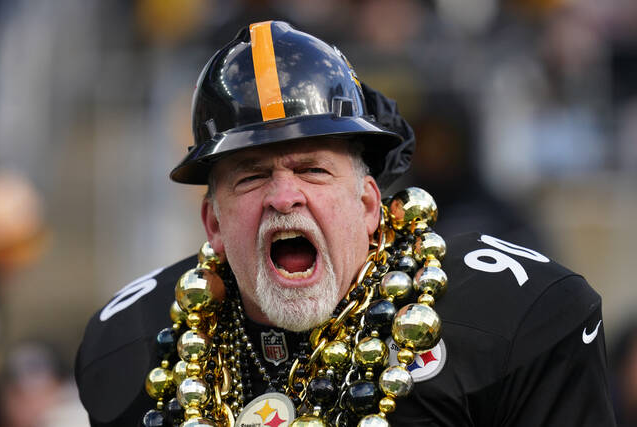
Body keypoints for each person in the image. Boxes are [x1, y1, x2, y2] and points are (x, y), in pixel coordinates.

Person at [75, 21, 616, 426]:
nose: (284, 197)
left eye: (313, 170)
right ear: (212, 223)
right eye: (251, 177)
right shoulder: (132, 347)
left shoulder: (517, 323)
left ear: (368, 205)